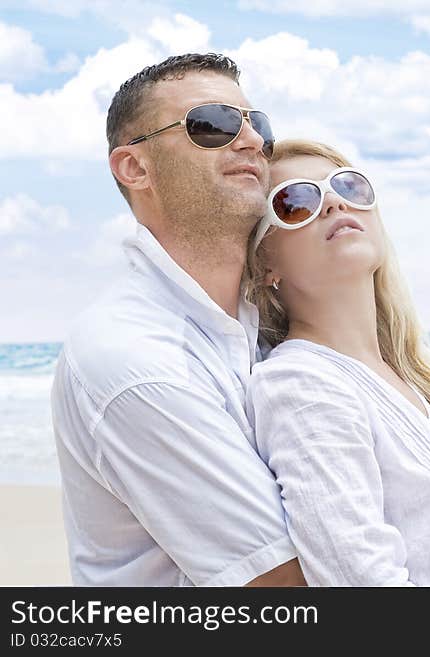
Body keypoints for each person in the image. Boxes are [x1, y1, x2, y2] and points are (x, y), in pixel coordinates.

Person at [50, 53, 305, 586]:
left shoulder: (273, 325)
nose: (252, 141)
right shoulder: (133, 357)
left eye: (257, 124)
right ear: (134, 167)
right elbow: (283, 584)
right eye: (212, 125)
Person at [244, 140, 430, 586]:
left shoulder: (414, 378)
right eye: (296, 201)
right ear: (265, 261)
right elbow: (362, 578)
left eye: (349, 187)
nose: (334, 202)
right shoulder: (299, 384)